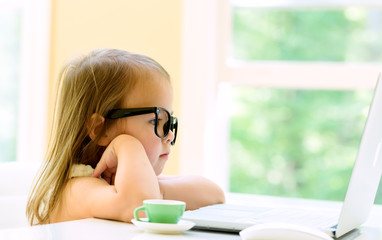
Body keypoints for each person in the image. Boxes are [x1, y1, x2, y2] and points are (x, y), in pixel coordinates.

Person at [26, 49, 225, 225]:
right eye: (156, 122)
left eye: (169, 122)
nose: (169, 134)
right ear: (99, 130)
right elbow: (141, 208)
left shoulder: (131, 185)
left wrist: (155, 190)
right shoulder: (76, 189)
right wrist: (126, 145)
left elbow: (214, 193)